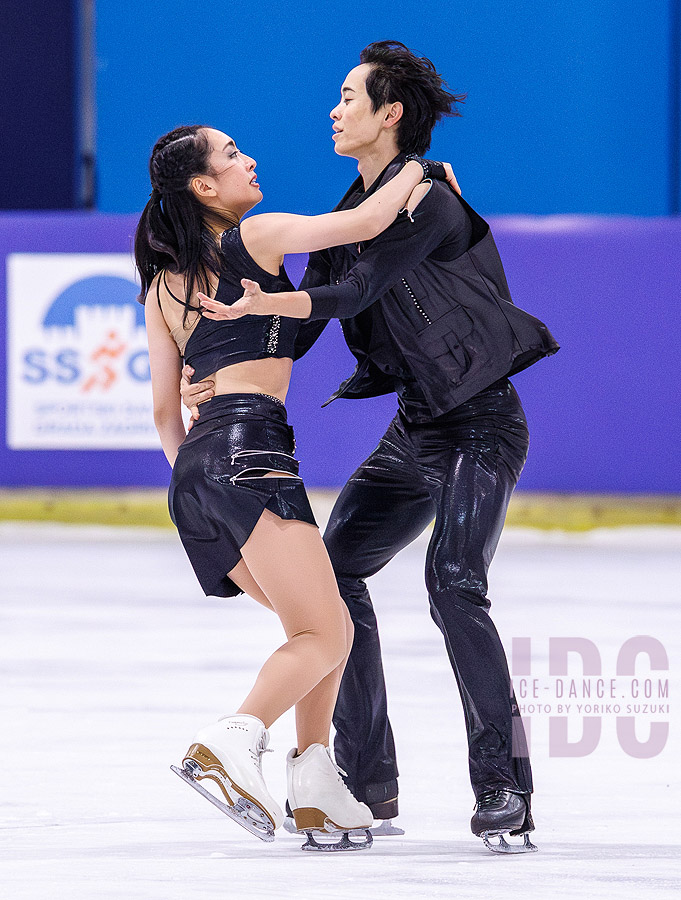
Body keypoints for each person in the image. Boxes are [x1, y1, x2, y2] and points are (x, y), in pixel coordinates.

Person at [183, 42, 559, 853]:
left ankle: (503, 786)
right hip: (415, 430)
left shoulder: (428, 200)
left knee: (453, 582)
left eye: (349, 96)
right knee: (335, 573)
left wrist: (278, 295)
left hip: (480, 423)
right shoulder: (349, 213)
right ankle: (362, 777)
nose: (334, 109)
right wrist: (227, 376)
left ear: (389, 115)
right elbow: (305, 324)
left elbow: (355, 290)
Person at [135, 123, 456, 849]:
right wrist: (419, 168)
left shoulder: (160, 286)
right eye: (229, 155)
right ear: (203, 188)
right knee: (326, 628)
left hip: (198, 468)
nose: (249, 158)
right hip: (252, 453)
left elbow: (163, 411)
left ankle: (314, 778)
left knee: (315, 627)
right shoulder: (257, 236)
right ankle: (234, 736)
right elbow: (368, 223)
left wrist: (200, 477)